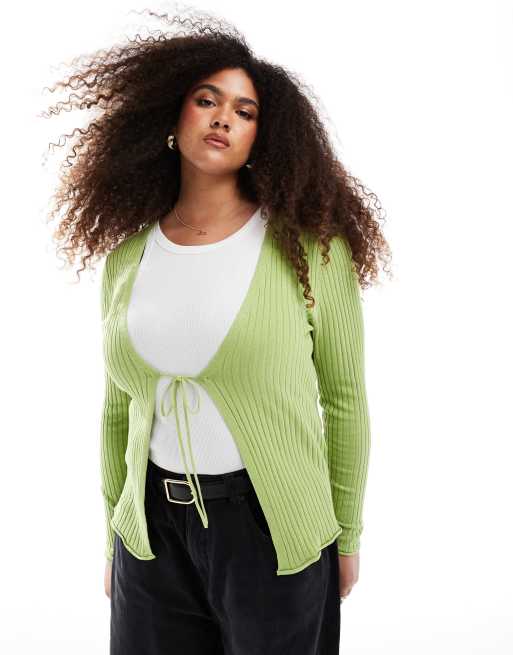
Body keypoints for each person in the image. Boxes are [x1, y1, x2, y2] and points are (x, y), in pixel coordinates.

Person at [43, 9, 391, 655]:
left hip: (272, 528)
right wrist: (116, 539)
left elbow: (344, 400)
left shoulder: (310, 252)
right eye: (206, 100)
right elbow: (118, 410)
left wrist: (346, 534)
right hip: (150, 533)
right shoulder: (127, 260)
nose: (223, 118)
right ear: (170, 117)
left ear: (264, 137)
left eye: (244, 111)